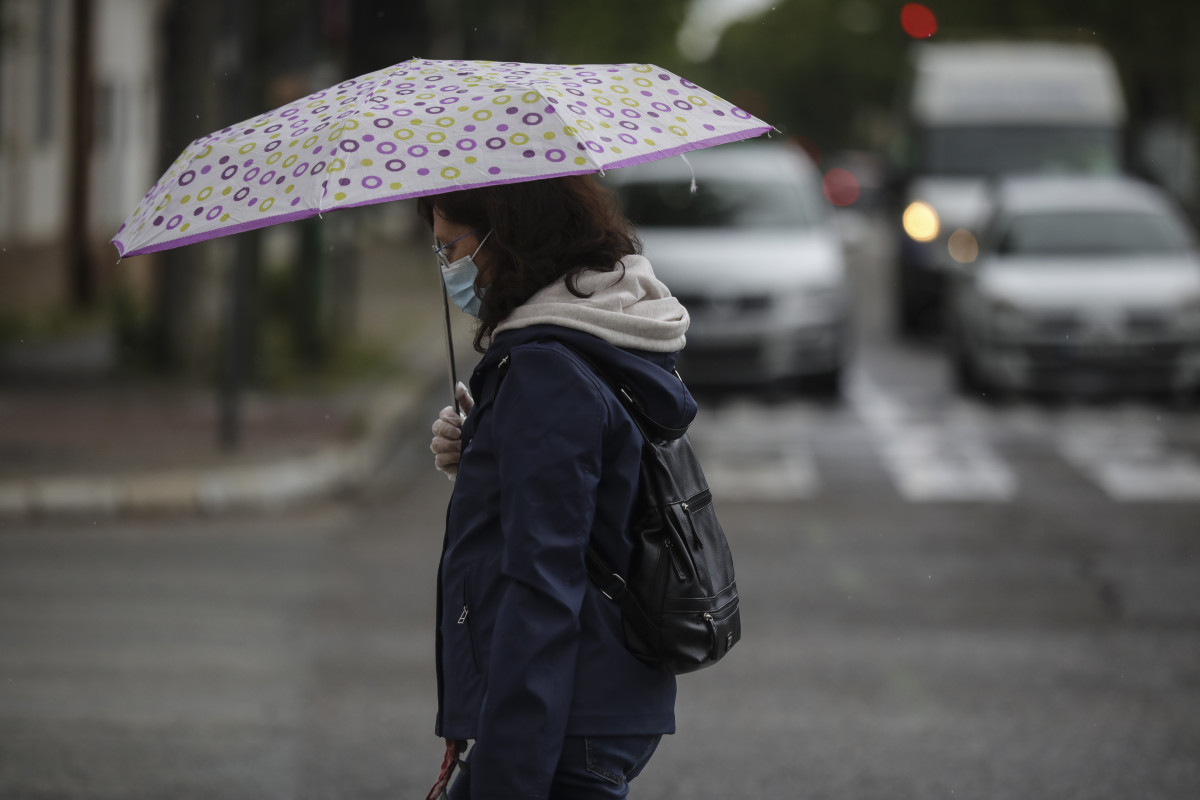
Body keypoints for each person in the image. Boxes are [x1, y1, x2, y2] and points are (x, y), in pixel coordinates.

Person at [420, 175, 695, 799]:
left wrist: (507, 774)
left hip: (563, 719)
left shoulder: (545, 369)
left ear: (506, 238)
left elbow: (542, 583)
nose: (447, 266)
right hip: (593, 700)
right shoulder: (593, 331)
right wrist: (488, 447)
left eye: (451, 247)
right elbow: (595, 499)